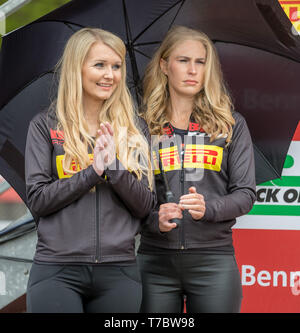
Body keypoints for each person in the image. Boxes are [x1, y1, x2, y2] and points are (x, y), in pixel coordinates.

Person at [25, 28, 155, 313]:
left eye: (116, 66)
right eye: (99, 65)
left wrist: (114, 168)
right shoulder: (45, 126)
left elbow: (145, 206)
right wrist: (91, 172)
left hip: (119, 273)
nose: (110, 75)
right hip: (56, 272)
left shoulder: (135, 129)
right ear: (77, 68)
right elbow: (38, 200)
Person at [138, 25, 256, 313]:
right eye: (183, 60)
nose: (192, 70)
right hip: (153, 264)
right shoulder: (140, 126)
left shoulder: (230, 125)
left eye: (200, 62)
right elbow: (126, 197)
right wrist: (154, 219)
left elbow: (245, 193)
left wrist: (210, 208)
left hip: (213, 263)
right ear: (165, 65)